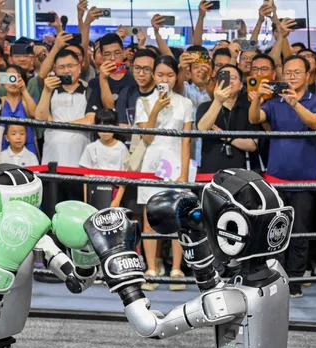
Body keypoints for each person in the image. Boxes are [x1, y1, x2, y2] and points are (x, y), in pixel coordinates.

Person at [249, 54, 316, 297]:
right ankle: (276, 277)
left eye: (297, 73)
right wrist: (258, 98)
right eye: (288, 73)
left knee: (300, 233)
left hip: (305, 178)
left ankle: (294, 280)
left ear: (308, 75)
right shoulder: (274, 102)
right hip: (276, 179)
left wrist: (295, 103)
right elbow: (254, 118)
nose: (291, 77)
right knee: (275, 232)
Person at [135, 54, 193, 291]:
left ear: (176, 76)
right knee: (150, 220)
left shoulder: (186, 103)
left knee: (177, 218)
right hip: (151, 165)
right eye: (160, 74)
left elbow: (187, 141)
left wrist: (184, 174)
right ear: (153, 75)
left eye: (170, 75)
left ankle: (176, 269)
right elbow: (146, 138)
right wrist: (155, 110)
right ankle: (151, 267)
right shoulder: (143, 102)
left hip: (177, 165)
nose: (164, 79)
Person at [36, 49, 92, 200]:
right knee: (51, 213)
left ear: (80, 67)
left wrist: (57, 124)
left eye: (70, 65)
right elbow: (40, 118)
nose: (66, 70)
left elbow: (90, 120)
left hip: (79, 165)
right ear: (55, 69)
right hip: (51, 165)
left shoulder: (90, 91)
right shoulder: (50, 90)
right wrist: (47, 90)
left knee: (76, 213)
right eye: (61, 67)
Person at [195, 64, 257, 174]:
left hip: (241, 174)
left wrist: (226, 137)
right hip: (210, 172)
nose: (230, 81)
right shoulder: (205, 107)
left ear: (241, 85)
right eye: (225, 78)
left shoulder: (248, 108)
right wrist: (218, 101)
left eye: (233, 78)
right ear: (217, 83)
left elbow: (252, 145)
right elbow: (202, 129)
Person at [0, 67, 37, 166]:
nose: (12, 82)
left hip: (27, 150)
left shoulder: (27, 101)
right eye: (8, 78)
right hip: (0, 149)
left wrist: (24, 90)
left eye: (15, 78)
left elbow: (34, 113)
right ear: (3, 82)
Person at [78, 108, 127, 209]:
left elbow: (125, 178)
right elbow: (86, 177)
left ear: (115, 126)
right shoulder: (90, 147)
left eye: (109, 126)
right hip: (94, 189)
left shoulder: (122, 148)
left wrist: (117, 199)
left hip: (114, 190)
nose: (105, 131)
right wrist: (86, 201)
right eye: (101, 126)